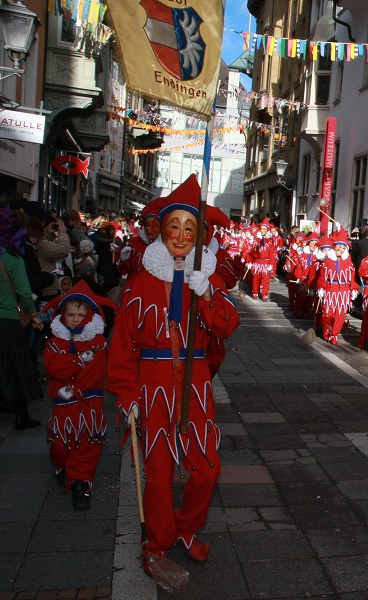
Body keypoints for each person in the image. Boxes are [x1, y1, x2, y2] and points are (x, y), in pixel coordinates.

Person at [107, 175, 240, 571]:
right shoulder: (139, 284)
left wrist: (209, 294)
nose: (181, 235)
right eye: (174, 226)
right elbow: (123, 345)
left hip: (195, 382)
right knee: (159, 470)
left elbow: (227, 326)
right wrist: (126, 393)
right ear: (161, 230)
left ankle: (187, 526)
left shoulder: (209, 276)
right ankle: (159, 541)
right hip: (152, 382)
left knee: (207, 468)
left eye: (190, 228)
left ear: (200, 234)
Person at [42, 281, 114, 510]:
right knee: (61, 443)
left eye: (81, 315)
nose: (75, 319)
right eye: (71, 314)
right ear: (63, 315)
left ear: (90, 315)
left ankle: (81, 482)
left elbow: (95, 372)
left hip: (90, 400)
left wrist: (74, 374)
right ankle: (62, 466)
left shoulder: (99, 343)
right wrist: (79, 361)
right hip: (63, 402)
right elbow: (55, 369)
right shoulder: (54, 343)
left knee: (87, 441)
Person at [0, 199, 43, 429]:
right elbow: (24, 292)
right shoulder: (11, 258)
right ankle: (21, 415)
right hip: (8, 320)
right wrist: (34, 315)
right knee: (15, 368)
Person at [317, 229, 359, 345]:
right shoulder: (328, 261)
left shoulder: (348, 262)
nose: (341, 250)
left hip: (344, 291)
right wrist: (321, 288)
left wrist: (354, 288)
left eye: (343, 248)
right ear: (334, 247)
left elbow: (352, 277)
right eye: (339, 247)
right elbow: (322, 276)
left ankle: (334, 334)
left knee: (340, 315)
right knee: (328, 314)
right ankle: (326, 329)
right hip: (330, 289)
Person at [118, 200, 161, 280]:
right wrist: (123, 260)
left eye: (155, 225)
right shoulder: (134, 243)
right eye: (148, 225)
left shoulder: (166, 246)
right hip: (133, 287)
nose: (151, 229)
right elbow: (122, 271)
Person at [246, 218, 281, 301]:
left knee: (265, 281)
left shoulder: (269, 241)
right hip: (256, 263)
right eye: (261, 229)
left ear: (267, 230)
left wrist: (271, 264)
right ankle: (255, 292)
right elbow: (251, 252)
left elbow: (271, 255)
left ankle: (264, 294)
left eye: (264, 229)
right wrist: (249, 262)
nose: (262, 230)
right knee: (255, 279)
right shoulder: (255, 241)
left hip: (265, 263)